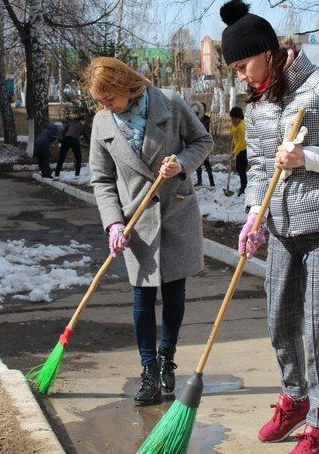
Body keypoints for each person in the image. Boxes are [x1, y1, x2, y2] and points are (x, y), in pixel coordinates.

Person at [220, 0, 319, 454]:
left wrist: (310, 158)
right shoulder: (259, 104)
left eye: (243, 64)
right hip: (284, 227)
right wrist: (254, 215)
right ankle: (295, 399)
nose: (241, 75)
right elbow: (262, 169)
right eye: (235, 69)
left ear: (268, 52)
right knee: (279, 319)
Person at [86, 57, 213, 406]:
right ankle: (148, 372)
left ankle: (166, 359)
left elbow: (203, 141)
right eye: (101, 100)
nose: (105, 105)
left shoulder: (168, 104)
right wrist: (113, 222)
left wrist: (181, 164)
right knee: (142, 299)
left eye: (109, 97)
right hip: (135, 224)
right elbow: (101, 179)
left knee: (174, 295)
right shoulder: (102, 123)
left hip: (176, 214)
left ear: (124, 86)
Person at [191, 101, 215, 187]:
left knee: (207, 163)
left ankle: (212, 182)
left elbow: (203, 129)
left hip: (205, 145)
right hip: (197, 144)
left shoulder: (206, 119)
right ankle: (199, 181)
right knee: (198, 164)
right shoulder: (196, 119)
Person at [229, 106, 247, 196]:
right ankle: (243, 186)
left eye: (235, 118)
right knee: (239, 169)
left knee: (241, 170)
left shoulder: (241, 127)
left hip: (243, 150)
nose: (233, 120)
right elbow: (232, 131)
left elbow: (241, 142)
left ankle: (244, 188)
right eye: (232, 118)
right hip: (238, 148)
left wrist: (234, 153)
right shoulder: (234, 123)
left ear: (240, 118)